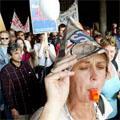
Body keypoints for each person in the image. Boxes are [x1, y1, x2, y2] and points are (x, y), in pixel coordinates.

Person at [31, 33, 113, 120]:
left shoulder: (102, 104)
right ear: (65, 74)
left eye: (100, 67)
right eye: (84, 68)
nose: (95, 76)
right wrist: (53, 107)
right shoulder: (49, 114)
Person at [0, 42, 41, 120]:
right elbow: (7, 92)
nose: (20, 56)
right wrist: (13, 109)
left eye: (20, 52)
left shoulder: (26, 65)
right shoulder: (5, 71)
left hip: (34, 107)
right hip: (20, 110)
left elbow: (35, 84)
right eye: (16, 53)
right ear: (10, 55)